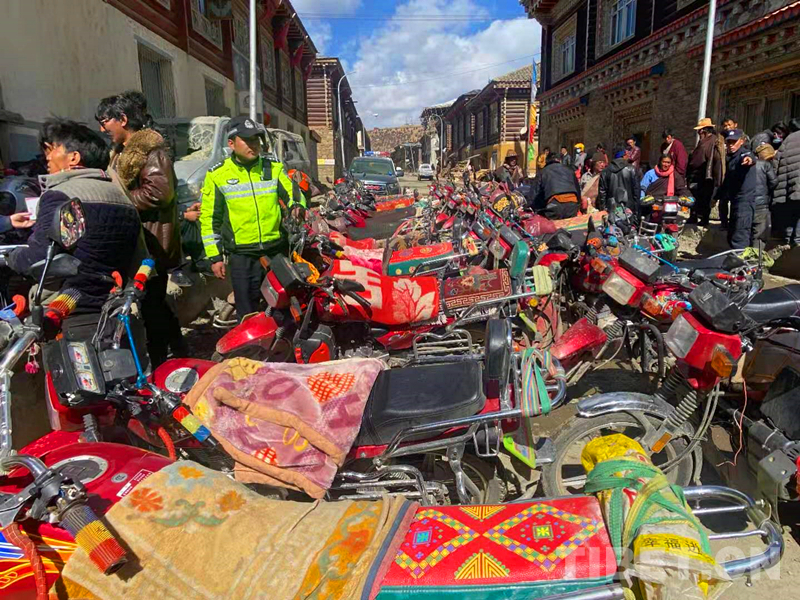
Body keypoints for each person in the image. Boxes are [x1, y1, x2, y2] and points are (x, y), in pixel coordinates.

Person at [5, 118, 141, 310]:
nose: (47, 158)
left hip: (65, 307)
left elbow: (38, 257)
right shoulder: (122, 196)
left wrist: (12, 257)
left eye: (53, 149)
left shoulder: (61, 195)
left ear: (74, 158)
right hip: (116, 304)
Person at [96, 91, 185, 366]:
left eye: (105, 121)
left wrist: (118, 201)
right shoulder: (120, 153)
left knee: (151, 307)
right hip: (139, 240)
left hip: (152, 243)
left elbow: (159, 193)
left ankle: (161, 364)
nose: (102, 128)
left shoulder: (151, 152)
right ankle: (179, 353)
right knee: (153, 304)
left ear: (122, 119)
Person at [199, 116, 304, 320]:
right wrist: (215, 257)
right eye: (247, 140)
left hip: (276, 250)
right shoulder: (217, 175)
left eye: (256, 139)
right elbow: (210, 219)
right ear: (231, 144)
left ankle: (283, 339)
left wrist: (297, 207)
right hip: (242, 256)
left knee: (284, 308)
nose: (253, 145)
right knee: (248, 313)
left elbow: (294, 194)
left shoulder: (273, 168)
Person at [717, 129, 757, 249]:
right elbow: (727, 181)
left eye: (734, 142)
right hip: (735, 200)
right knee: (732, 233)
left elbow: (749, 157)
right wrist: (718, 196)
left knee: (740, 235)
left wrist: (748, 160)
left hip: (744, 202)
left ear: (741, 141)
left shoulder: (744, 153)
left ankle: (740, 259)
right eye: (729, 142)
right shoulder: (731, 158)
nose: (731, 145)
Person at [687, 118, 725, 226]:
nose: (699, 133)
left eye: (700, 130)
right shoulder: (704, 141)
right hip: (700, 175)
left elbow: (700, 160)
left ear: (704, 130)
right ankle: (696, 216)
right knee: (697, 197)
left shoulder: (711, 141)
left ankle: (703, 219)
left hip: (705, 175)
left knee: (704, 198)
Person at [773, 119, 800, 247]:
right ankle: (798, 240)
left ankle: (788, 238)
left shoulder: (788, 140)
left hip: (787, 182)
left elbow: (776, 162)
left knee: (792, 210)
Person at [529, 154, 581, 219]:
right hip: (572, 204)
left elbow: (534, 194)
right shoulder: (569, 170)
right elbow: (578, 191)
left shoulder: (543, 172)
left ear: (546, 162)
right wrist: (578, 206)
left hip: (555, 205)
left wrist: (530, 207)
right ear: (560, 161)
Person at [752, 143, 777, 248]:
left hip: (746, 204)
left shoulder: (747, 163)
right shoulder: (766, 165)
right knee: (760, 236)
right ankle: (755, 257)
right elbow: (773, 182)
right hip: (761, 205)